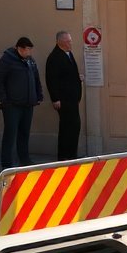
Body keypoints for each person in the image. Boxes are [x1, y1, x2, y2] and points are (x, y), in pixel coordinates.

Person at [0, 36, 44, 168]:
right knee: (10, 134)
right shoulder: (8, 59)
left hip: (28, 103)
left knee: (24, 133)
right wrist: (3, 99)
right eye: (27, 49)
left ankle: (24, 159)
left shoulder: (30, 61)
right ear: (19, 48)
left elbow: (36, 78)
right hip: (12, 105)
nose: (29, 52)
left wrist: (38, 95)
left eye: (30, 49)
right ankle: (7, 163)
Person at [45, 31, 84, 161]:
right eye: (67, 41)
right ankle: (64, 157)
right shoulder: (54, 57)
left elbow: (69, 74)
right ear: (59, 42)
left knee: (75, 127)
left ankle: (72, 155)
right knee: (67, 128)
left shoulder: (69, 54)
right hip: (64, 100)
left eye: (70, 41)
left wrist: (78, 78)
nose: (70, 43)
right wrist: (55, 99)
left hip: (73, 99)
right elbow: (51, 79)